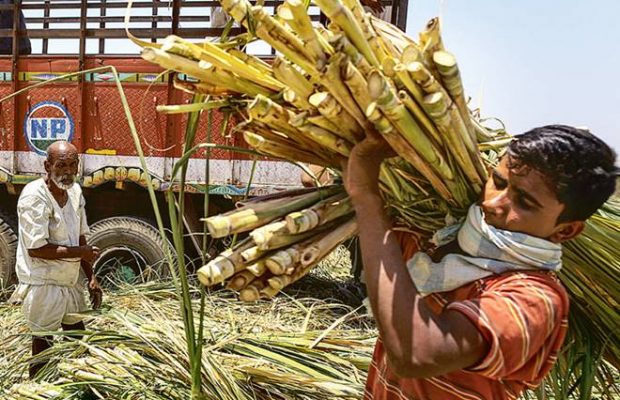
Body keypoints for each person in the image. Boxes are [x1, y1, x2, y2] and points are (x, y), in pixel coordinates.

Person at [341, 125, 617, 399]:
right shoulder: (439, 239)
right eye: (497, 182)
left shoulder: (535, 300)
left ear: (565, 230)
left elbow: (416, 354)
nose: (492, 204)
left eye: (524, 202)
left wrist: (367, 198)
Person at [9, 141, 102, 379]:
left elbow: (81, 237)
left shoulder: (75, 192)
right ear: (47, 166)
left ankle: (78, 384)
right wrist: (81, 253)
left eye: (73, 165)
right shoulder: (34, 197)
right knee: (43, 346)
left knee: (78, 340)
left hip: (69, 281)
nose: (68, 172)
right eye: (61, 165)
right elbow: (36, 249)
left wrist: (91, 276)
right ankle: (36, 389)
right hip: (44, 284)